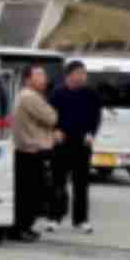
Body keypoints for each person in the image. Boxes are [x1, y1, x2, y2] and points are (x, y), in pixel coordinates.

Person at [47, 60, 102, 235]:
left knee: (81, 184)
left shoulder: (91, 94)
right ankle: (54, 218)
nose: (82, 76)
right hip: (61, 144)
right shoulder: (57, 93)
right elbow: (49, 116)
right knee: (58, 183)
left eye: (84, 73)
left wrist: (91, 133)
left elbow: (96, 117)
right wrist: (54, 131)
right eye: (79, 73)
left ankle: (81, 220)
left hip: (82, 144)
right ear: (69, 75)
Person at [11, 67, 61, 241]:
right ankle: (21, 227)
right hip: (31, 151)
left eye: (44, 75)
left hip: (27, 150)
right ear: (27, 79)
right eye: (39, 75)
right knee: (30, 193)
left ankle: (23, 226)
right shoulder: (30, 97)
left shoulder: (26, 96)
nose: (44, 78)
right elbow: (52, 117)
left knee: (28, 192)